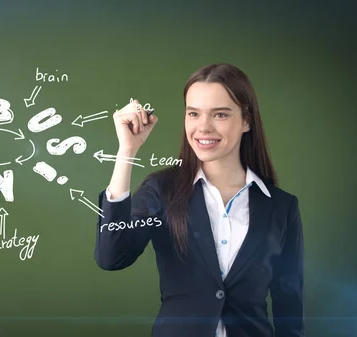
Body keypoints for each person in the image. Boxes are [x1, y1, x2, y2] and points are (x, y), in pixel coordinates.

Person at [94, 63, 304, 337]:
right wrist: (127, 151)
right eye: (193, 113)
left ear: (246, 120)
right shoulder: (162, 189)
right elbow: (112, 256)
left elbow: (290, 311)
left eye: (220, 114)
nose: (203, 127)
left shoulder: (281, 207)